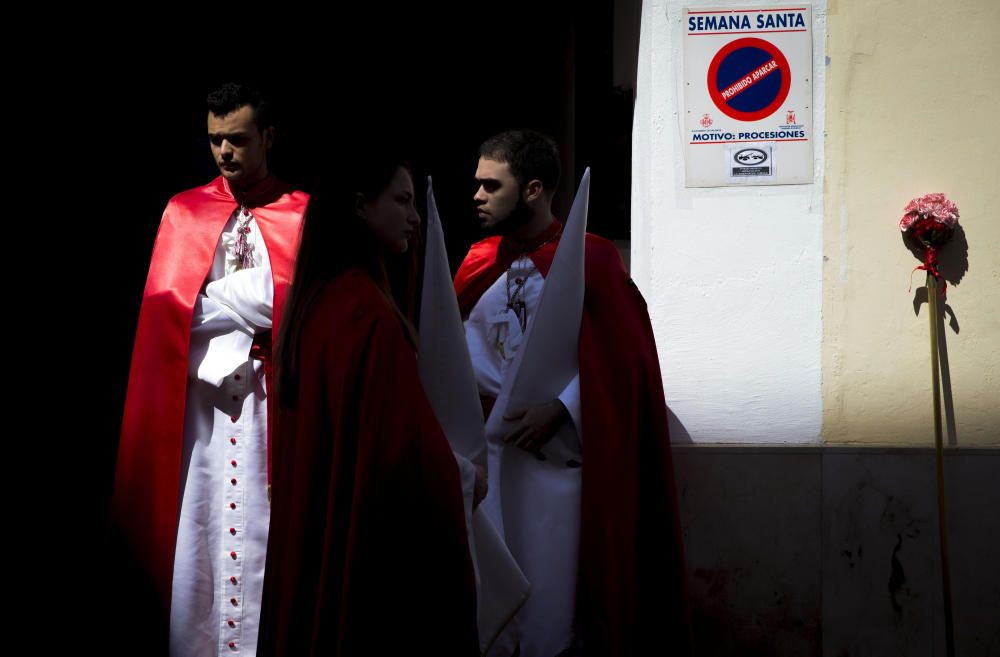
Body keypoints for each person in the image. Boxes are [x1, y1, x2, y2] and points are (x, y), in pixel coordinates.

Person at [455, 129, 691, 656]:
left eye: (491, 185)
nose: (477, 196)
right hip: (488, 469)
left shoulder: (593, 260)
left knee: (553, 612)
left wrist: (562, 408)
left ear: (534, 189)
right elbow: (455, 358)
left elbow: (625, 362)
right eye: (477, 184)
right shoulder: (476, 261)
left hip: (554, 469)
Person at [108, 82, 308, 656]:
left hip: (271, 406)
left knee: (268, 532)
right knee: (198, 528)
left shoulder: (303, 215)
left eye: (238, 139)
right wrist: (247, 302)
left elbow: (294, 305)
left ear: (268, 137)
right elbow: (171, 310)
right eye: (216, 140)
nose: (224, 152)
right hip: (202, 413)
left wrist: (215, 299)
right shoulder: (184, 211)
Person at [257, 148, 480, 656]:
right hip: (364, 559)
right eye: (401, 201)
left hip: (316, 541)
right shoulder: (367, 317)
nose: (415, 216)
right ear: (360, 206)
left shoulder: (314, 307)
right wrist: (466, 475)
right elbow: (401, 457)